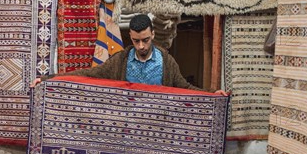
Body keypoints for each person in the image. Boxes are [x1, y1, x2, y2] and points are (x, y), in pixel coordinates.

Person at [31, 14, 227, 94]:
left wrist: (212, 95)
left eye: (145, 40)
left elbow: (185, 88)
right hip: (126, 129)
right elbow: (87, 75)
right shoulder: (120, 60)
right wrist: (49, 79)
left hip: (157, 127)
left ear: (153, 34)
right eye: (135, 41)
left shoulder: (166, 61)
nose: (141, 46)